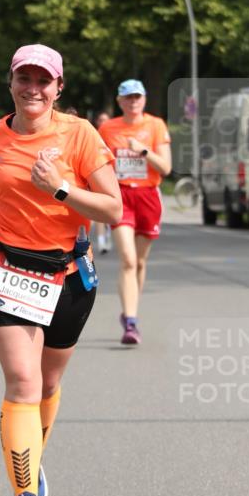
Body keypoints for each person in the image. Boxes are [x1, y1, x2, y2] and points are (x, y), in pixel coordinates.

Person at [0, 44, 121, 496]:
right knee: (23, 383)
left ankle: (29, 457)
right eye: (23, 78)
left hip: (69, 275)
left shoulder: (79, 135)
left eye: (43, 81)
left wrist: (60, 189)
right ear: (10, 81)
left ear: (58, 88)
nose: (33, 89)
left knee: (48, 386)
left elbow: (112, 209)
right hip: (7, 268)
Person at [98, 80, 172, 345]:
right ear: (120, 102)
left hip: (148, 196)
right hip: (121, 196)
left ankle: (131, 310)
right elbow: (98, 162)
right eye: (128, 97)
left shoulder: (155, 125)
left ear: (144, 100)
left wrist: (143, 151)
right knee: (128, 260)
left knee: (140, 262)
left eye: (137, 97)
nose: (133, 101)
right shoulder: (108, 128)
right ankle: (130, 322)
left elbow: (165, 168)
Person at [92, 111, 112, 255]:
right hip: (98, 176)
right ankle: (101, 241)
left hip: (113, 176)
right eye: (101, 120)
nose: (103, 122)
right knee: (99, 211)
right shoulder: (93, 135)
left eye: (106, 120)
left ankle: (109, 235)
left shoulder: (114, 133)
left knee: (110, 211)